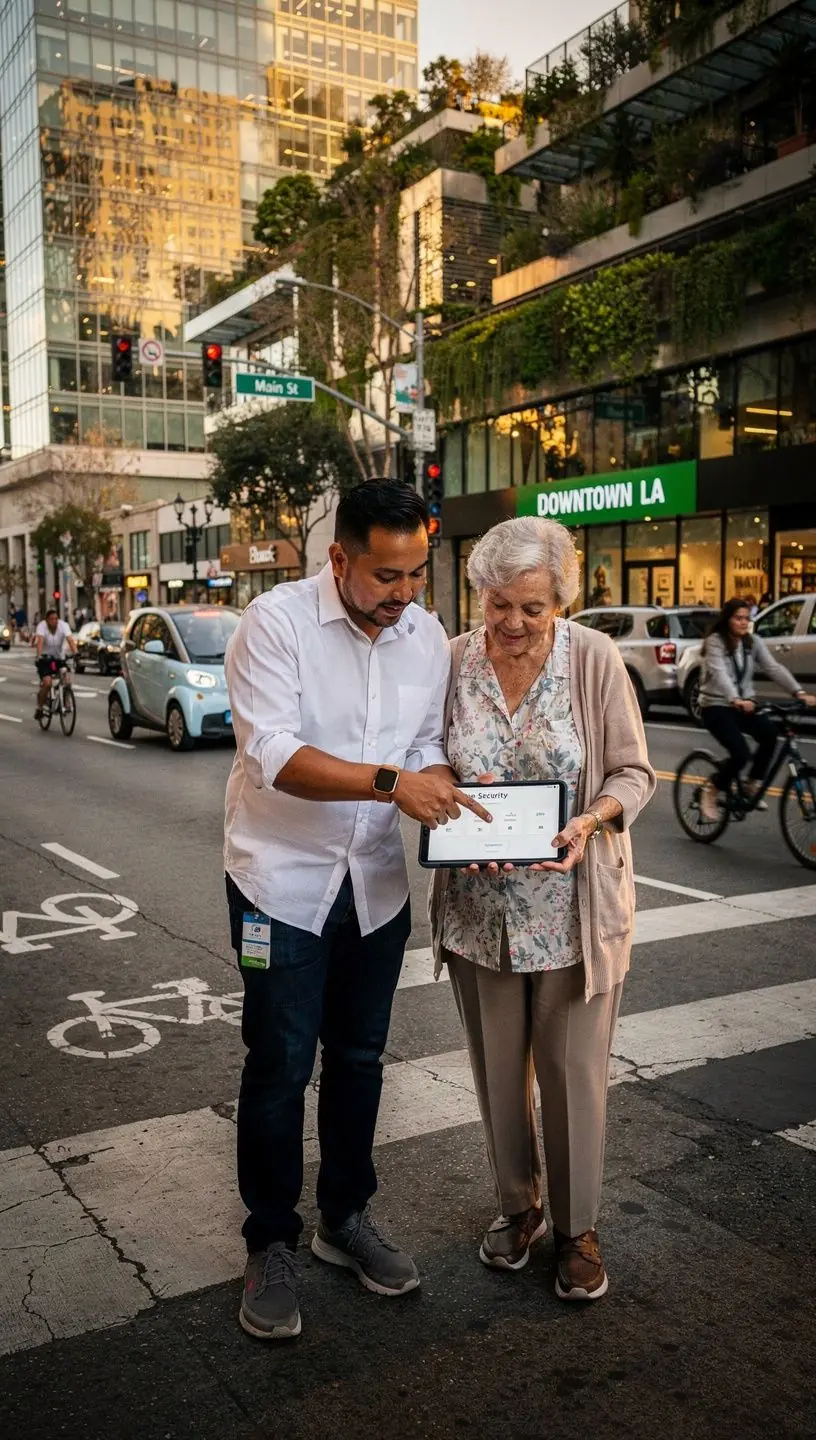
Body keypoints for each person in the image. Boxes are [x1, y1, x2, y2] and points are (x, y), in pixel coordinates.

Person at [224, 479, 489, 1342]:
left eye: (416, 574)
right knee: (279, 1062)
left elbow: (422, 751)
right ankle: (271, 1241)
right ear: (338, 558)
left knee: (362, 1058)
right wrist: (391, 783)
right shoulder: (276, 623)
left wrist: (437, 781)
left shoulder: (423, 643)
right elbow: (273, 754)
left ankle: (345, 1216)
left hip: (374, 887)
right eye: (385, 575)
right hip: (281, 884)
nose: (405, 594)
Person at [429, 516, 655, 1301]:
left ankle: (577, 1228)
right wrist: (448, 809)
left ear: (560, 597)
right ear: (479, 596)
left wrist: (593, 820)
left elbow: (633, 773)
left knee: (572, 1075)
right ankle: (518, 1209)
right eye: (499, 605)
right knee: (497, 1076)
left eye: (533, 606)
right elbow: (426, 760)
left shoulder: (593, 659)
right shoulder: (452, 660)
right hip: (476, 912)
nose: (514, 623)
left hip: (571, 914)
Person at [697, 597, 816, 821]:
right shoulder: (716, 642)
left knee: (770, 734)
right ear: (728, 620)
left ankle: (752, 784)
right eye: (738, 618)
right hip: (716, 707)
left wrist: (798, 692)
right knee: (741, 754)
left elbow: (773, 667)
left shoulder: (752, 643)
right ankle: (711, 789)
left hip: (744, 706)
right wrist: (735, 698)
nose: (743, 623)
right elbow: (720, 673)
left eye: (746, 619)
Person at [34, 608, 76, 719]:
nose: (54, 621)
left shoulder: (63, 625)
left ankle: (66, 702)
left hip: (59, 658)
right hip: (45, 659)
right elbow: (40, 641)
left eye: (56, 619)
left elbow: (70, 639)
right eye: (51, 619)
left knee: (67, 679)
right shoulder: (42, 626)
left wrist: (76, 653)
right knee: (47, 683)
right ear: (47, 620)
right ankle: (40, 707)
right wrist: (39, 656)